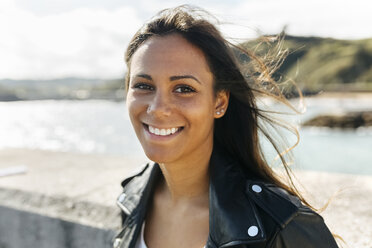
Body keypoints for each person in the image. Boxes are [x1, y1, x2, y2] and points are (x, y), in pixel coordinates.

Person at [113, 5, 339, 248]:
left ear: (219, 102)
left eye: (184, 89)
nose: (157, 108)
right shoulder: (132, 198)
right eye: (143, 86)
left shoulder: (283, 225)